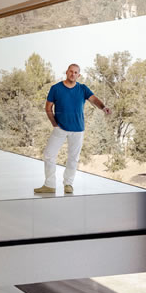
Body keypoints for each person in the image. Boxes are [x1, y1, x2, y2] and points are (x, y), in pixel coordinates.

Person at [34, 63, 111, 194]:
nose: (73, 74)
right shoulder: (56, 88)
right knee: (49, 154)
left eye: (76, 72)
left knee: (73, 158)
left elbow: (94, 100)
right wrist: (54, 123)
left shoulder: (83, 89)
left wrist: (103, 107)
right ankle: (49, 185)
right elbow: (48, 107)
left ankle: (68, 184)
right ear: (67, 72)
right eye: (71, 71)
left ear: (78, 75)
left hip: (78, 130)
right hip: (60, 128)